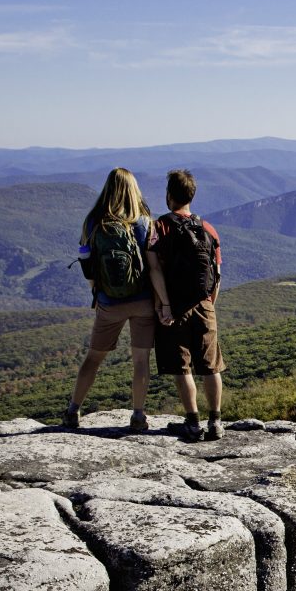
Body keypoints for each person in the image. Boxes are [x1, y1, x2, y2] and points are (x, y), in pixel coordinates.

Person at [65, 167, 171, 432]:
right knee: (140, 360)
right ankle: (137, 415)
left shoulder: (93, 221)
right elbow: (154, 267)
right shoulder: (145, 222)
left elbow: (86, 263)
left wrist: (97, 292)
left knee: (93, 358)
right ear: (133, 189)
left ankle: (73, 411)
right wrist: (162, 302)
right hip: (143, 301)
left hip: (108, 302)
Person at [149, 168, 226, 442]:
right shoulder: (207, 228)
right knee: (211, 365)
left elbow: (154, 269)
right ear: (192, 195)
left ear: (169, 196)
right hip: (204, 305)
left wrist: (164, 305)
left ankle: (193, 422)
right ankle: (216, 421)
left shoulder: (160, 228)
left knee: (182, 367)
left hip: (175, 307)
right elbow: (217, 273)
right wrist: (209, 304)